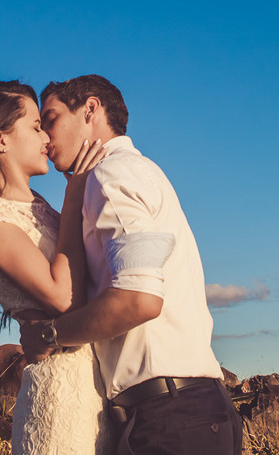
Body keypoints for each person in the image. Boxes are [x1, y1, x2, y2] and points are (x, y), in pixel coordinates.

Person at [20, 75, 243, 455]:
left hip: (171, 417)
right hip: (182, 411)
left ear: (90, 110)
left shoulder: (110, 175)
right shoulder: (133, 171)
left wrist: (49, 336)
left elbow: (139, 298)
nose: (45, 137)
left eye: (51, 119)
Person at [0, 80, 112, 455]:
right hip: (57, 400)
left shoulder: (40, 207)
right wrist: (76, 191)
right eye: (35, 126)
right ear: (0, 140)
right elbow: (62, 295)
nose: (47, 137)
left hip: (94, 394)